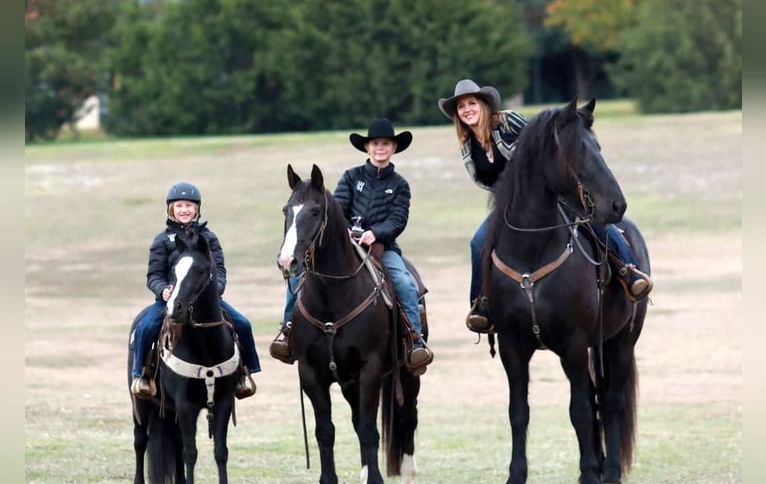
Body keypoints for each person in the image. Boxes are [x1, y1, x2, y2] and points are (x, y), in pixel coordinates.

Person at [437, 79, 653, 334]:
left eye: (472, 103)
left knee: (593, 220)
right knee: (478, 242)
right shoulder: (467, 146)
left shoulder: (509, 122)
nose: (466, 110)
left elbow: (542, 144)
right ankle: (481, 303)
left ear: (484, 105)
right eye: (461, 107)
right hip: (510, 205)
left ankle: (628, 271)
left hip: (545, 192)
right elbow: (483, 181)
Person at [270, 118, 433, 370]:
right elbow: (337, 209)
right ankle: (288, 330)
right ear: (367, 148)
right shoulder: (350, 176)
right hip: (346, 243)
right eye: (375, 143)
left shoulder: (400, 184)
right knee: (298, 276)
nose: (380, 148)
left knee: (403, 282)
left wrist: (375, 233)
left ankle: (414, 339)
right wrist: (348, 231)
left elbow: (398, 219)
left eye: (386, 144)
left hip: (382, 247)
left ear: (394, 149)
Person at [130, 181, 260, 399]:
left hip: (206, 301)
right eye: (179, 205)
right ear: (171, 209)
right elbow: (154, 275)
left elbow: (219, 270)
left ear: (197, 209)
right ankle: (141, 376)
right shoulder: (162, 240)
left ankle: (245, 373)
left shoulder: (209, 239)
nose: (184, 210)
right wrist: (162, 290)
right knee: (145, 327)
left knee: (243, 324)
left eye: (189, 206)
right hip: (171, 301)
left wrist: (215, 291)